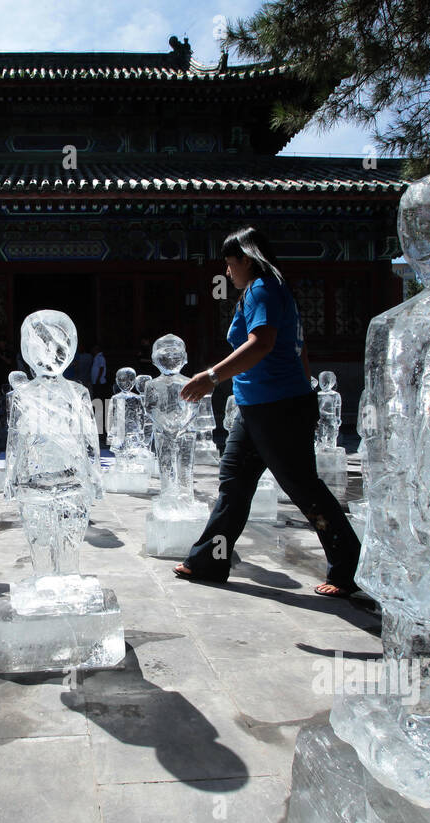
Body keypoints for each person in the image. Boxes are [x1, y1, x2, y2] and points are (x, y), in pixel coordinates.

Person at [174, 226, 362, 597]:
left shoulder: (263, 288)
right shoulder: (270, 291)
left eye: (230, 264)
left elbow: (262, 344)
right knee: (234, 485)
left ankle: (347, 567)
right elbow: (300, 349)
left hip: (277, 407)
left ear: (246, 259)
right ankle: (209, 560)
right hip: (255, 406)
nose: (227, 273)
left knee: (302, 487)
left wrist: (211, 377)